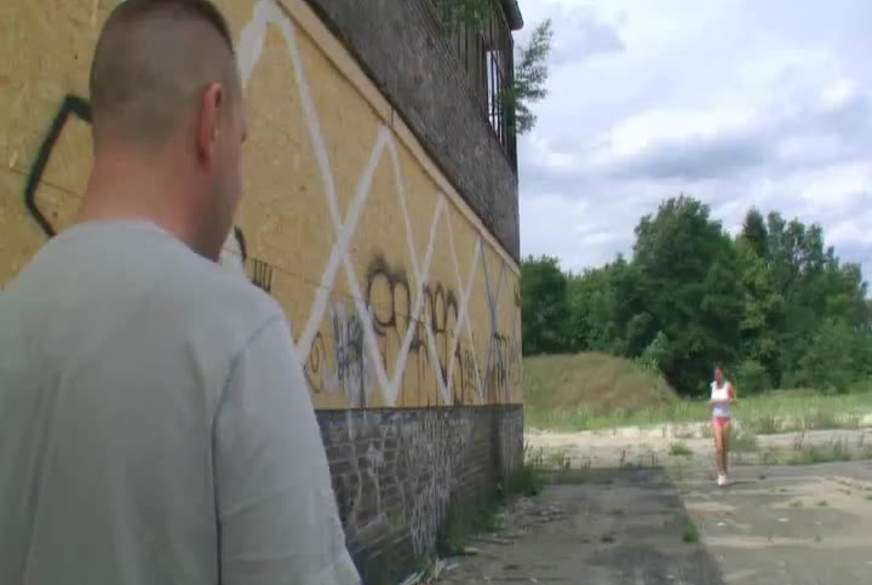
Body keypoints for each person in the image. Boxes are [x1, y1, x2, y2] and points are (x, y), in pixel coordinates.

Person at [0, 1, 360, 583]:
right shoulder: (239, 338)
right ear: (211, 120)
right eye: (241, 142)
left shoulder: (11, 316)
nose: (240, 184)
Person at [710, 366, 737, 487]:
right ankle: (720, 473)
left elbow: (736, 401)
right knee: (719, 448)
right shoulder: (712, 386)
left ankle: (725, 472)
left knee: (725, 448)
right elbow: (711, 403)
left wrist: (728, 400)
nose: (717, 376)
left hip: (726, 419)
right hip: (716, 419)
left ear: (722, 374)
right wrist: (711, 403)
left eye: (718, 374)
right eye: (715, 374)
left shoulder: (728, 386)